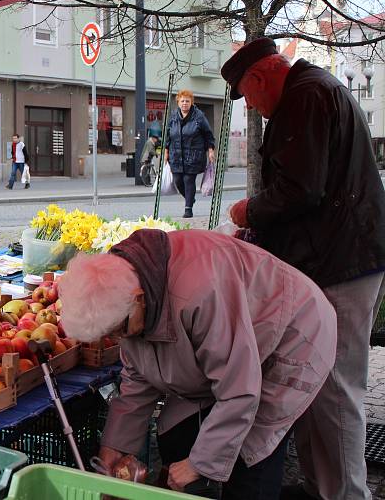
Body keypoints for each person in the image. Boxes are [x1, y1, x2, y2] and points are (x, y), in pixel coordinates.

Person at [221, 37, 385, 500]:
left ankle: (346, 494)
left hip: (342, 265)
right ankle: (323, 488)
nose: (251, 106)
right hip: (339, 259)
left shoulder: (305, 96)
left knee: (334, 387)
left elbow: (301, 189)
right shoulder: (311, 91)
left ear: (260, 76)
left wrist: (249, 212)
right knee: (315, 384)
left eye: (248, 95)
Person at [58, 228, 337, 500]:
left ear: (139, 300)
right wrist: (114, 447)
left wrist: (199, 465)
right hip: (233, 347)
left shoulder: (200, 293)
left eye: (119, 330)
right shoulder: (123, 292)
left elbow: (239, 391)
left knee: (250, 455)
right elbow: (138, 379)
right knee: (178, 438)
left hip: (291, 334)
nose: (118, 338)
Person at [164, 90, 215, 218]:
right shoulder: (173, 117)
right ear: (178, 102)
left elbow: (208, 134)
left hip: (193, 155)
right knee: (177, 180)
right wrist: (165, 151)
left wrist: (210, 149)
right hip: (176, 155)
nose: (185, 103)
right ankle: (190, 198)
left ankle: (188, 208)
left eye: (187, 101)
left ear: (192, 102)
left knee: (188, 180)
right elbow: (167, 135)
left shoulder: (199, 116)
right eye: (182, 101)